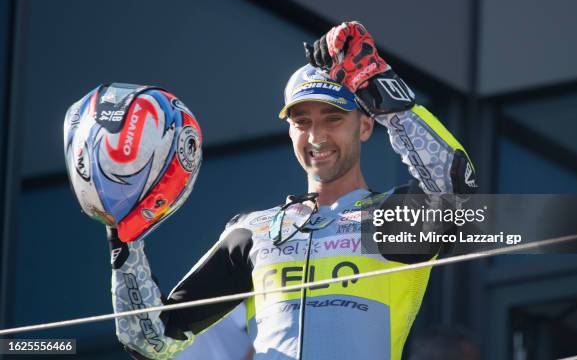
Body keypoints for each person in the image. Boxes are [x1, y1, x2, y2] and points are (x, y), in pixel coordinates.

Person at [106, 22, 477, 359]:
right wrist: (126, 240)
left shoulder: (390, 217)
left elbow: (456, 187)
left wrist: (378, 87)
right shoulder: (254, 231)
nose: (317, 136)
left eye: (333, 119)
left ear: (365, 127)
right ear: (290, 131)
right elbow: (150, 341)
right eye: (303, 122)